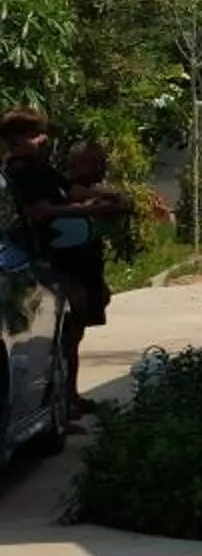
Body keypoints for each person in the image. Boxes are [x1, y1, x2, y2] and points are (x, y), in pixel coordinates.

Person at [2, 109, 126, 418]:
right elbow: (41, 212)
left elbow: (69, 191)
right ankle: (60, 403)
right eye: (34, 134)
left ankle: (68, 397)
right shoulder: (20, 172)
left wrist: (108, 197)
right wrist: (88, 211)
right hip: (48, 260)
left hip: (69, 257)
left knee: (73, 332)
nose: (42, 138)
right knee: (63, 336)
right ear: (16, 140)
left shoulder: (39, 169)